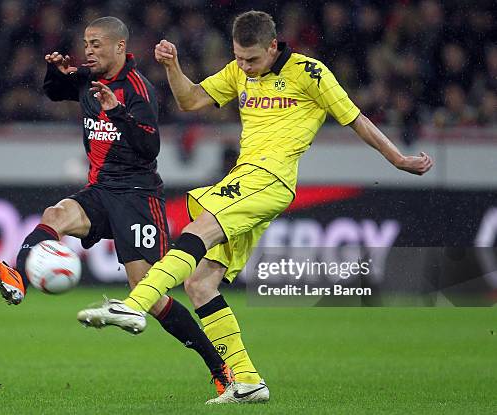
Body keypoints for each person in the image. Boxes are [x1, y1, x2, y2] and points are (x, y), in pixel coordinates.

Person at [77, 10, 434, 404]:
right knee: (200, 283)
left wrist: (397, 159)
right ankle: (248, 383)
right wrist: (174, 67)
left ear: (273, 46)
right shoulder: (238, 70)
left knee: (197, 231)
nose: (245, 67)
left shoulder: (310, 73)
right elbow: (191, 99)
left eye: (252, 60)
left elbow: (356, 118)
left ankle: (135, 305)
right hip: (247, 178)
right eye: (239, 58)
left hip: (271, 178)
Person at [0, 16, 234, 396]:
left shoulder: (137, 88)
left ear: (119, 47)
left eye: (96, 43)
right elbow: (54, 93)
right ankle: (17, 278)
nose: (88, 50)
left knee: (150, 293)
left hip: (137, 196)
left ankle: (221, 370)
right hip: (99, 189)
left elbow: (150, 148)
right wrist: (55, 71)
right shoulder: (86, 79)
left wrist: (116, 111)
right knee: (55, 216)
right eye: (85, 43)